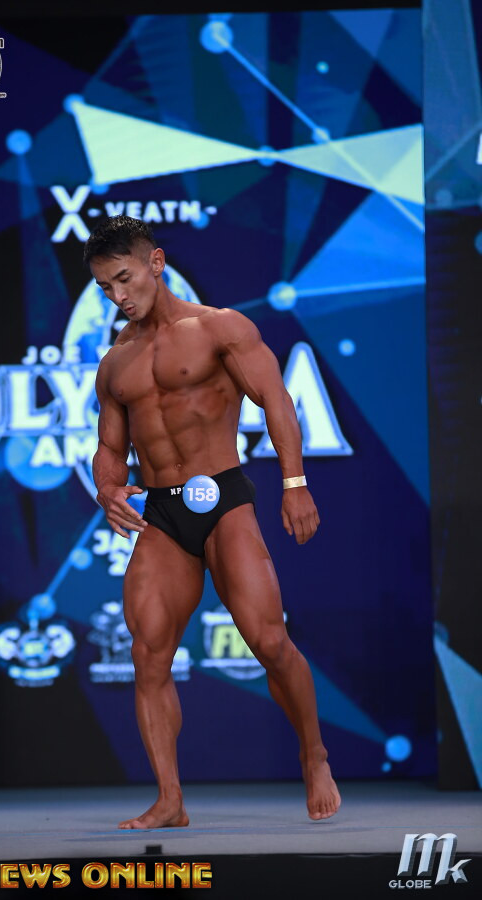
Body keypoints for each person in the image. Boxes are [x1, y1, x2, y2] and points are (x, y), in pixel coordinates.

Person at [87, 215, 341, 829]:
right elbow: (110, 446)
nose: (119, 296)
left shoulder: (219, 328)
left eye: (124, 278)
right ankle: (170, 799)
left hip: (223, 499)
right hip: (162, 512)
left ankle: (313, 754)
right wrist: (107, 488)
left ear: (155, 262)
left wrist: (295, 483)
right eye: (106, 288)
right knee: (149, 654)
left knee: (269, 642)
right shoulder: (115, 362)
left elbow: (276, 399)